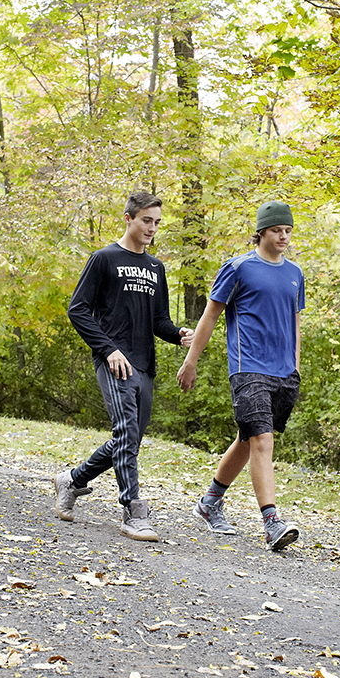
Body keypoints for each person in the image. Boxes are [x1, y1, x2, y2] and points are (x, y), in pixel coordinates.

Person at [56, 191, 194, 541]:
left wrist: (178, 333)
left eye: (157, 222)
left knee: (127, 439)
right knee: (127, 435)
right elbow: (77, 309)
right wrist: (108, 350)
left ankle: (72, 480)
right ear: (128, 218)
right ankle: (133, 510)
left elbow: (158, 320)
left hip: (145, 364)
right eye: (147, 220)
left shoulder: (155, 267)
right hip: (114, 362)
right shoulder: (104, 259)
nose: (152, 228)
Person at [177, 201, 304, 551]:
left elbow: (294, 321)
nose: (283, 236)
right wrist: (191, 361)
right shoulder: (238, 268)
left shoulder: (295, 273)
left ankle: (210, 502)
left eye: (288, 230)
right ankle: (272, 522)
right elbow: (210, 316)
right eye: (277, 230)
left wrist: (295, 365)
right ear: (261, 231)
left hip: (284, 373)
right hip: (248, 368)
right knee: (263, 441)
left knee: (249, 440)